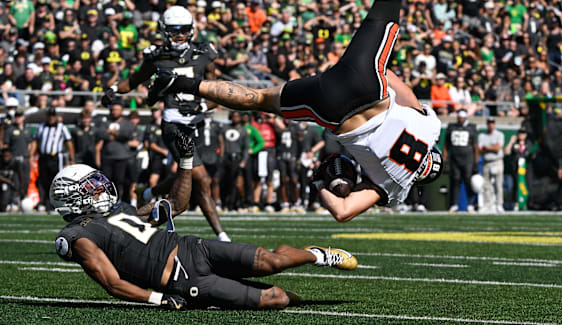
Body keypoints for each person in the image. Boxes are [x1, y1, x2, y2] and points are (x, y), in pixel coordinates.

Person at [149, 0, 443, 222]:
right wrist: (319, 181)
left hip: (367, 83)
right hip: (334, 113)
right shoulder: (397, 186)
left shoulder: (431, 129)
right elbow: (342, 212)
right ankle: (181, 82)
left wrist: (365, 69)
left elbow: (393, 80)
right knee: (258, 99)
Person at [51, 129, 357, 311]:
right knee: (274, 299)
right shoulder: (78, 236)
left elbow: (176, 204)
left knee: (271, 261)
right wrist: (158, 300)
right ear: (72, 197)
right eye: (92, 188)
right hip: (183, 281)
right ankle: (296, 299)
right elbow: (112, 283)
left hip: (194, 248)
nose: (101, 189)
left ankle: (318, 254)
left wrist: (185, 162)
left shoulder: (119, 209)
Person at [104, 5, 230, 241]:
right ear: (164, 31)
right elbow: (133, 79)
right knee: (201, 178)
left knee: (188, 174)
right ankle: (222, 235)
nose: (179, 35)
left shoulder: (205, 54)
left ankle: (149, 196)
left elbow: (218, 93)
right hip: (174, 124)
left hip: (198, 123)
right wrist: (113, 89)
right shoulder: (157, 57)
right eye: (174, 31)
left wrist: (202, 107)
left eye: (183, 30)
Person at [32, 107, 75, 212]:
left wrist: (71, 158)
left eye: (53, 116)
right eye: (49, 116)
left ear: (55, 116)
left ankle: (54, 203)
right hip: (43, 157)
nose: (51, 118)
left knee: (55, 180)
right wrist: (31, 155)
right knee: (43, 180)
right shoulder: (41, 126)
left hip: (55, 157)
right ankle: (44, 202)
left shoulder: (61, 127)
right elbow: (35, 141)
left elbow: (69, 142)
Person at [444, 109, 478, 212]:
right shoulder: (452, 127)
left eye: (462, 118)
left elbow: (475, 146)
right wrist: (445, 156)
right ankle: (454, 204)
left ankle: (471, 203)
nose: (461, 120)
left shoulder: (471, 128)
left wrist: (475, 161)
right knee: (455, 180)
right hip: (455, 158)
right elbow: (446, 144)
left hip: (468, 159)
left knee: (468, 180)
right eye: (459, 118)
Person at [221, 111, 251, 211]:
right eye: (234, 116)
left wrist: (244, 160)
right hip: (225, 158)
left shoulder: (243, 130)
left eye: (237, 116)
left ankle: (232, 204)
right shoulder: (225, 128)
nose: (235, 118)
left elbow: (246, 148)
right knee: (223, 181)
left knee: (235, 183)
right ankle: (223, 202)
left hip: (236, 158)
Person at [197, 111, 224, 210]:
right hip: (202, 154)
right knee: (203, 180)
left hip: (213, 155)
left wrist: (221, 155)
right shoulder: (198, 124)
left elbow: (221, 142)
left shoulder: (216, 125)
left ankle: (216, 202)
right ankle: (204, 202)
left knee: (215, 180)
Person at [479, 117, 504, 213]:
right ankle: (487, 204)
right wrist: (491, 148)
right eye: (489, 123)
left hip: (497, 161)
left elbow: (497, 148)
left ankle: (499, 204)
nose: (491, 124)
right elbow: (480, 149)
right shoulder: (482, 135)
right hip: (486, 162)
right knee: (486, 185)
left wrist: (486, 147)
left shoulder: (499, 134)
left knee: (498, 184)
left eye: (492, 123)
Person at [505, 128, 532, 212]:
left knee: (525, 185)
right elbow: (506, 152)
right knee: (516, 186)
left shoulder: (528, 144)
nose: (521, 135)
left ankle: (525, 203)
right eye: (520, 133)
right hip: (515, 169)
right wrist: (511, 141)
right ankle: (516, 203)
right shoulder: (515, 144)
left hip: (525, 170)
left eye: (523, 133)